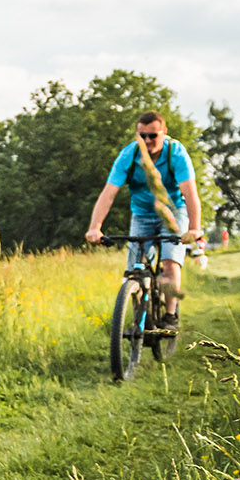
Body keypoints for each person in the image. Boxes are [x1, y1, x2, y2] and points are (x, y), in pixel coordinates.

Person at [83, 111, 203, 327]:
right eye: (142, 136)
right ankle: (140, 313)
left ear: (164, 133)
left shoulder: (176, 153)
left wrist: (194, 229)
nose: (147, 141)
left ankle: (170, 315)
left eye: (153, 135)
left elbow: (190, 193)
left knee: (169, 263)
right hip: (142, 215)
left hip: (174, 214)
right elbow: (108, 193)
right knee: (134, 269)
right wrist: (95, 228)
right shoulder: (128, 155)